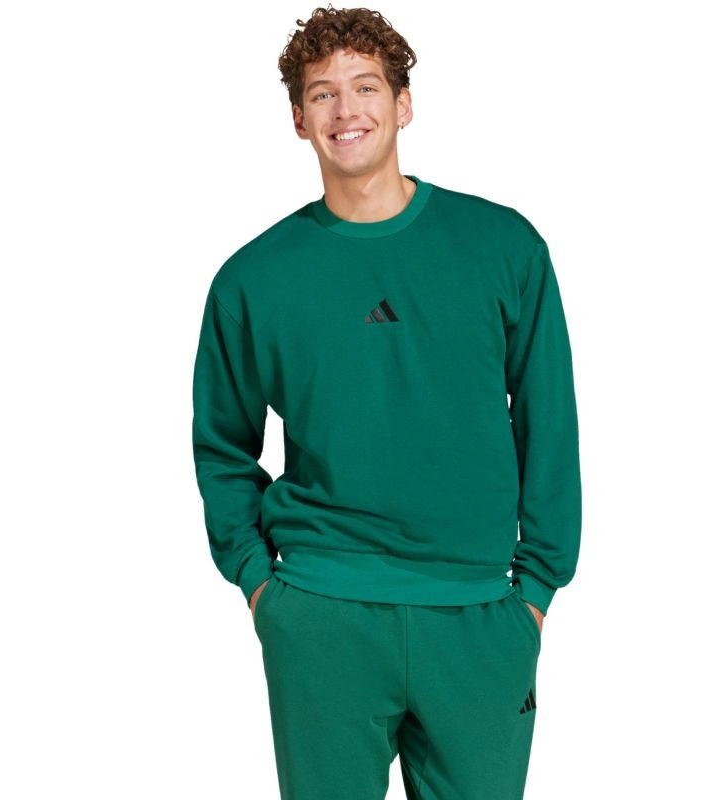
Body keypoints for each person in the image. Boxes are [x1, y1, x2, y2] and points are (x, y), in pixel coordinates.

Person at [191, 5, 581, 798]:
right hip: (322, 615)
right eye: (323, 93)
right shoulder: (253, 279)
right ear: (298, 118)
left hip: (480, 618)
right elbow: (222, 446)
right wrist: (263, 589)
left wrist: (536, 592)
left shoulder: (503, 247)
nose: (347, 109)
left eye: (366, 87)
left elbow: (550, 425)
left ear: (404, 104)